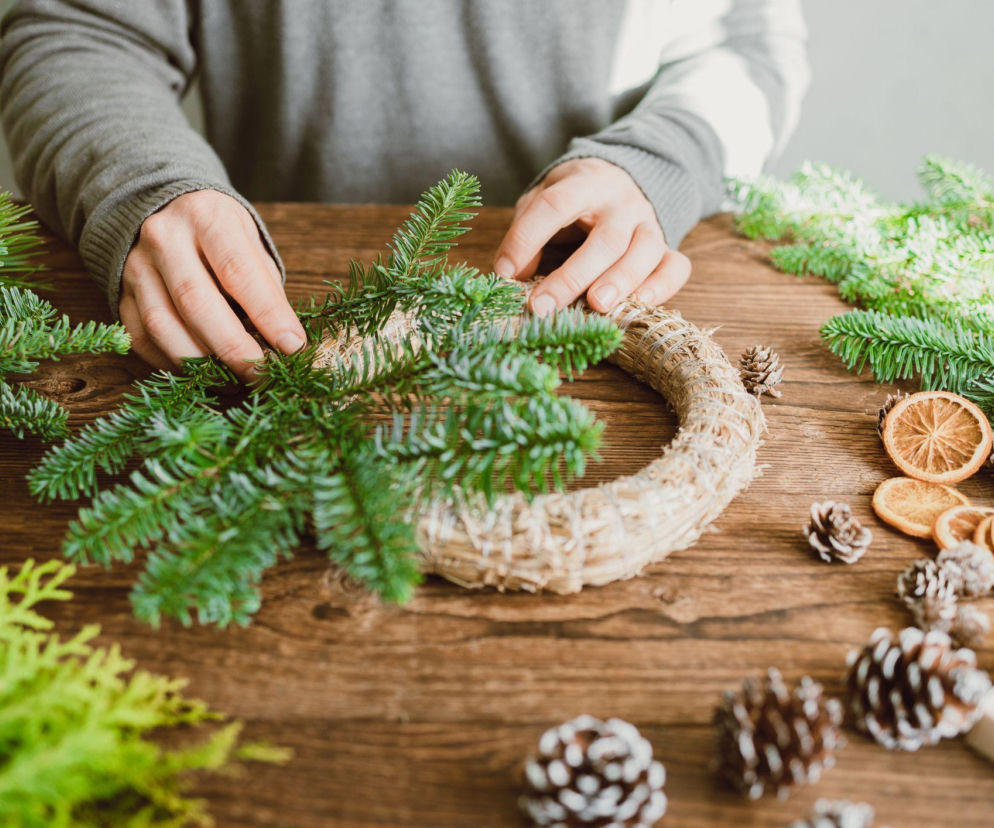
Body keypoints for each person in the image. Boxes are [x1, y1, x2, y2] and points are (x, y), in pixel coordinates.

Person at [0, 1, 807, 382]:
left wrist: (661, 157)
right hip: (268, 316)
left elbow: (742, 40)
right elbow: (79, 27)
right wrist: (138, 182)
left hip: (580, 317)